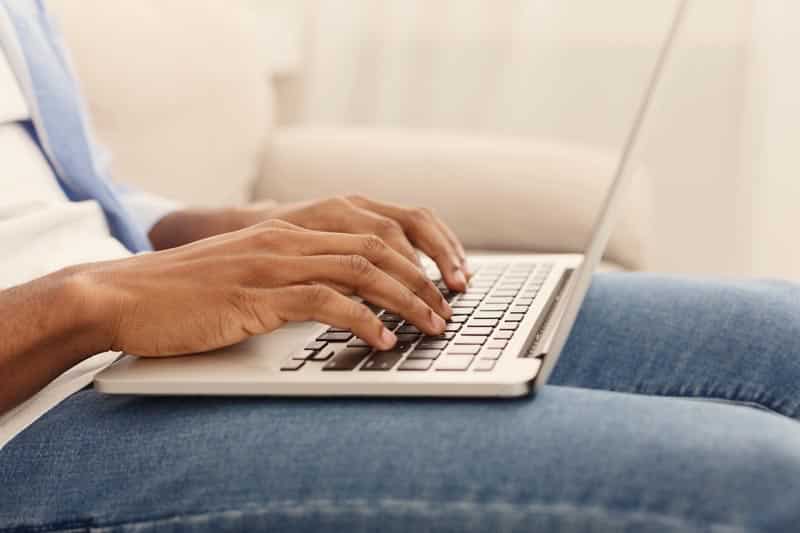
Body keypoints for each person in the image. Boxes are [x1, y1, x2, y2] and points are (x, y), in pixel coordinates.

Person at [1, 1, 799, 532]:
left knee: (784, 333)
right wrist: (94, 301)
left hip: (132, 325)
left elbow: (62, 188)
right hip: (36, 419)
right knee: (762, 480)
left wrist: (233, 235)